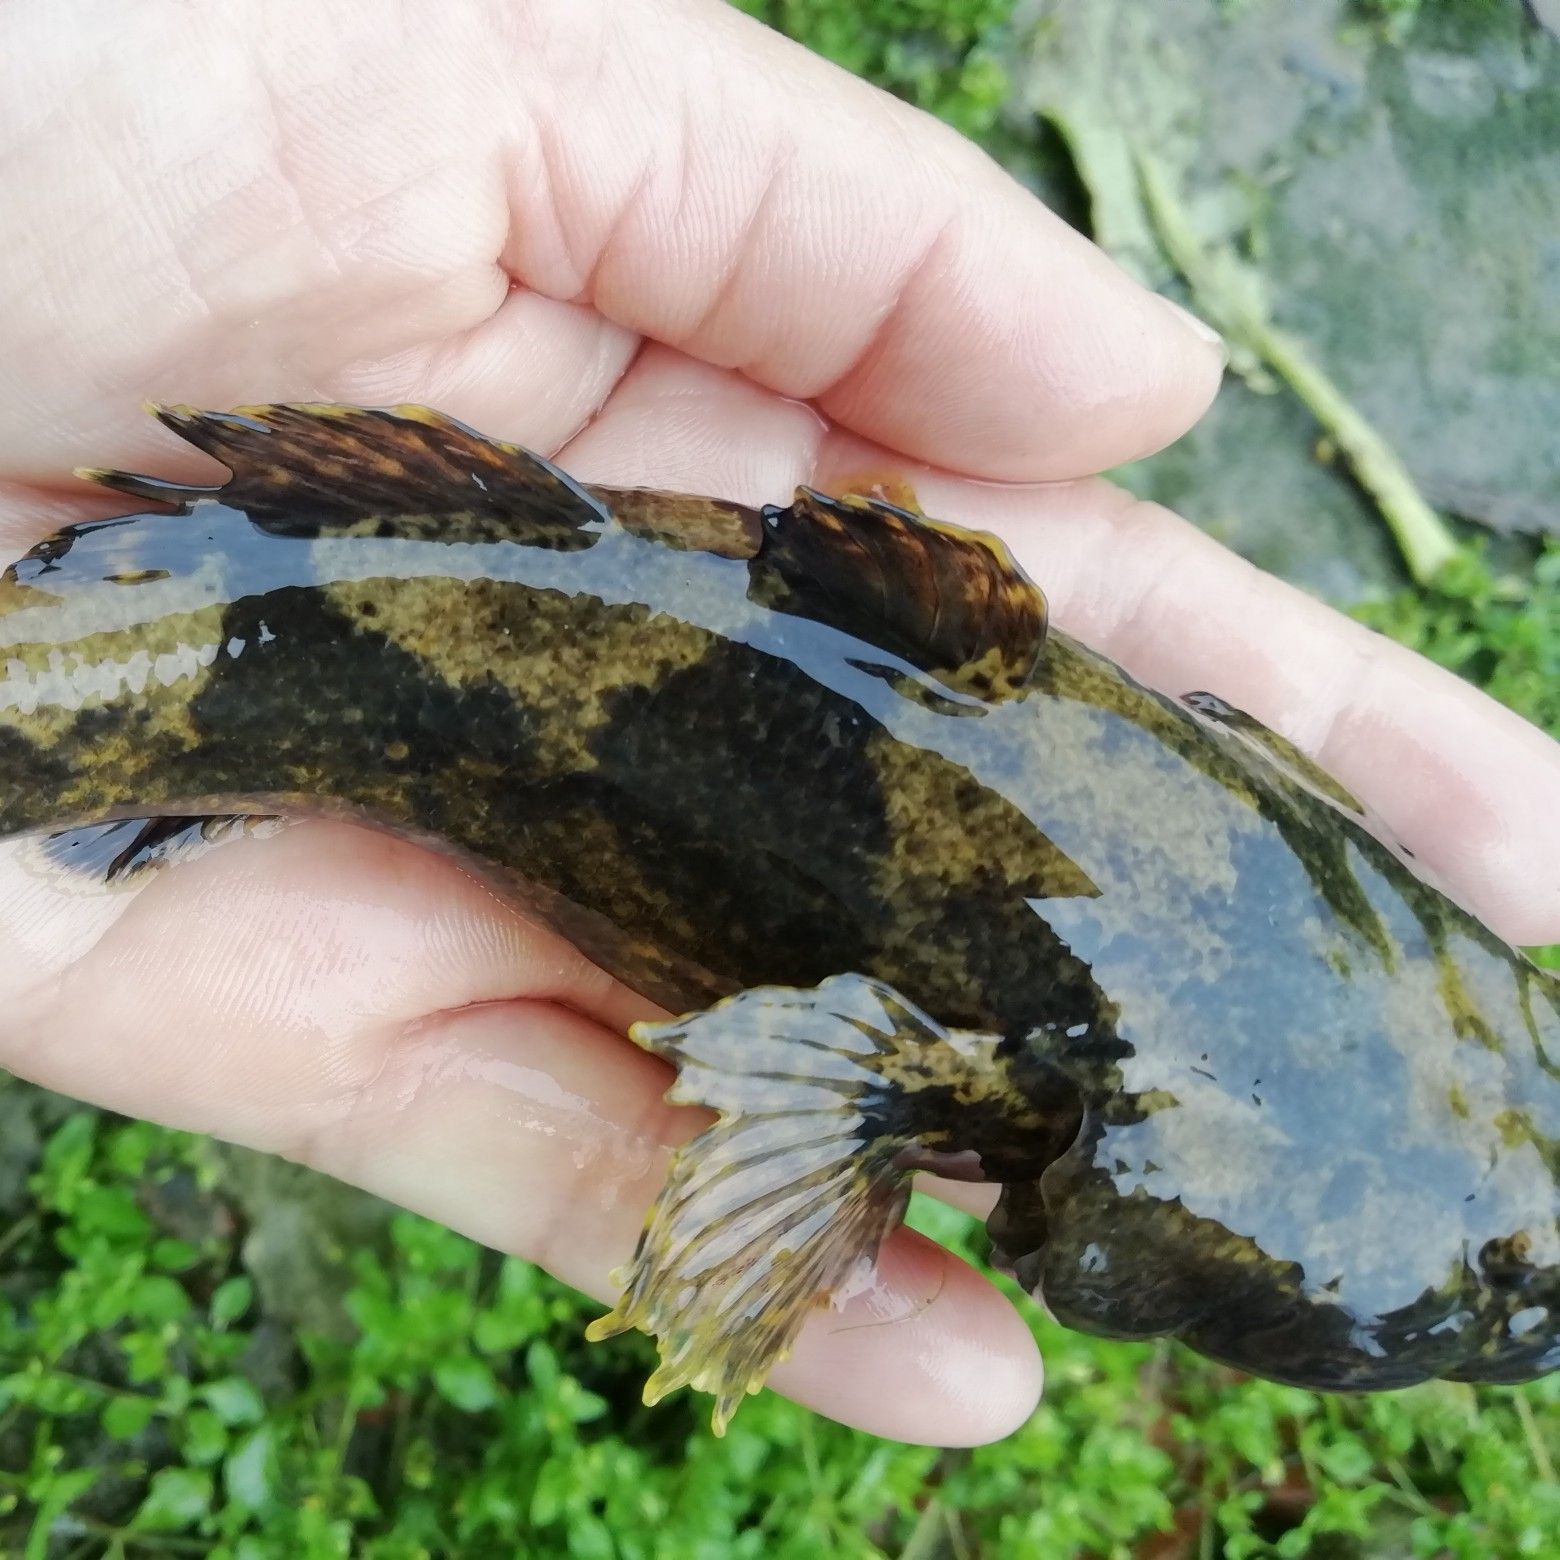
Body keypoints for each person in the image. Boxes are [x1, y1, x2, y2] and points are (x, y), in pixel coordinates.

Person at [1, 0, 1555, 1447]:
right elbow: (826, 1088)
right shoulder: (969, 1072)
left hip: (334, 584)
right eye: (1500, 1273)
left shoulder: (1206, 829)